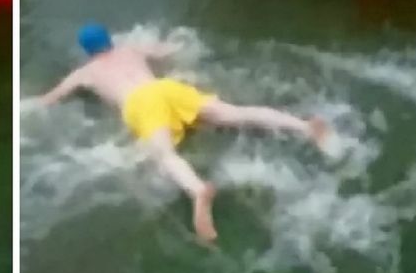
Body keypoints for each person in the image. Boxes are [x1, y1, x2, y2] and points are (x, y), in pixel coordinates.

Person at [39, 23, 328, 244]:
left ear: (87, 51)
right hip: (166, 88)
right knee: (235, 113)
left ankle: (198, 190)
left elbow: (50, 99)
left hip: (139, 102)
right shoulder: (131, 50)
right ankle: (304, 126)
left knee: (164, 155)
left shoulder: (85, 73)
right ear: (110, 40)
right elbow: (169, 50)